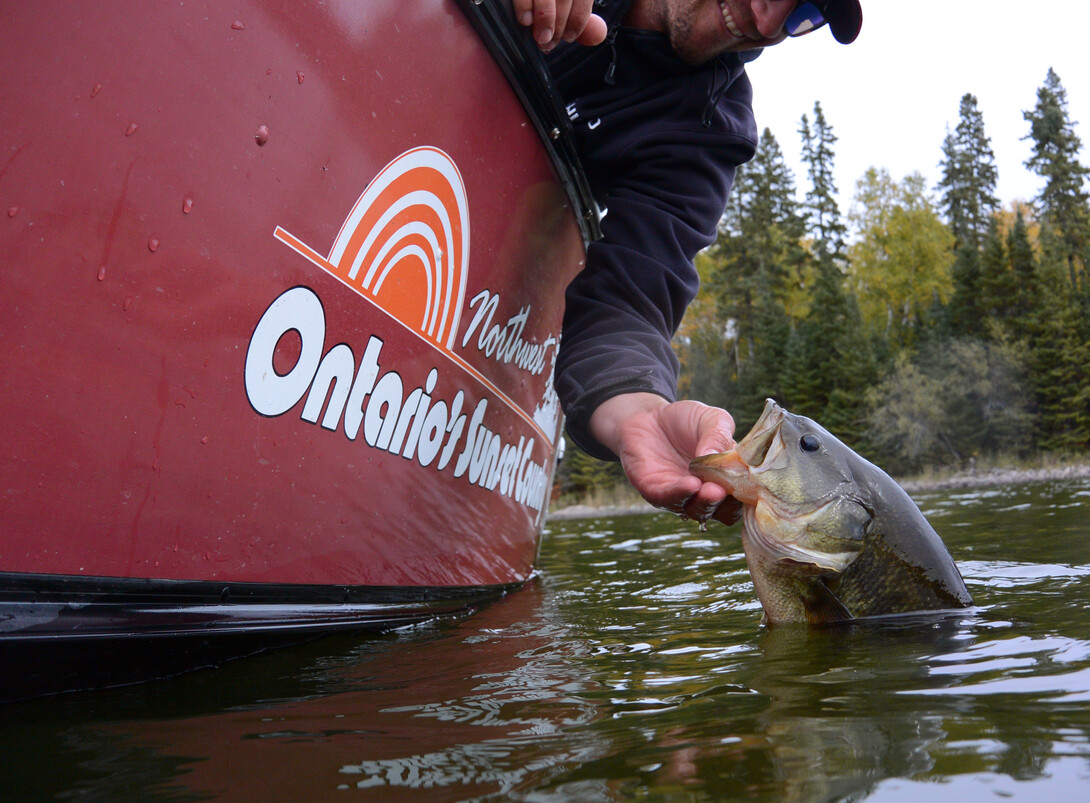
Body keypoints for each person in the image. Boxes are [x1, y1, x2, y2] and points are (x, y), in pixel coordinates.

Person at [514, 1, 862, 524]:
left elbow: (628, 301)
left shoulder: (705, 132)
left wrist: (637, 410)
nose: (766, 26)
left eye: (803, 14)